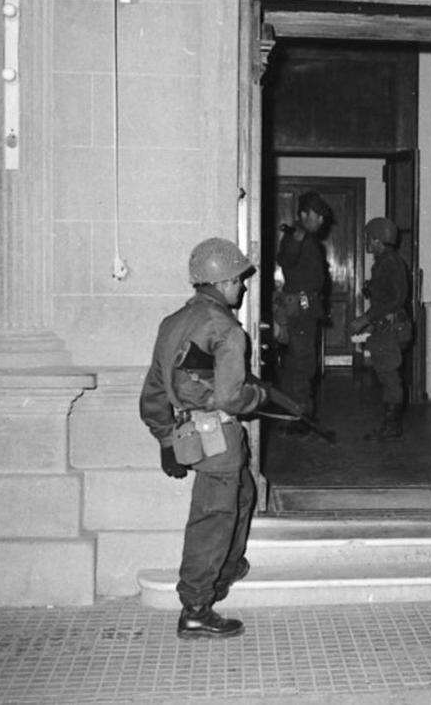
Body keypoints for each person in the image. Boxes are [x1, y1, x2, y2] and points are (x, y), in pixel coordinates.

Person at [139, 237, 268, 640]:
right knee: (213, 518)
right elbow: (232, 396)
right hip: (219, 437)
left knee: (243, 495)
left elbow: (154, 390)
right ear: (225, 280)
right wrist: (259, 396)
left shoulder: (173, 322)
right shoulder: (226, 328)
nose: (243, 288)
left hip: (190, 430)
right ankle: (196, 608)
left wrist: (165, 440)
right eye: (240, 280)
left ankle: (226, 569)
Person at [274, 191, 333, 435]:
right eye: (317, 216)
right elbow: (285, 260)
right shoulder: (295, 238)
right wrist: (296, 241)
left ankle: (294, 413)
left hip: (307, 308)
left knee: (298, 363)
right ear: (303, 215)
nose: (321, 221)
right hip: (300, 308)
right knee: (302, 364)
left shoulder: (308, 239)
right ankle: (299, 416)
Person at [349, 217, 412, 442]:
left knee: (389, 378)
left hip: (390, 329)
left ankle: (391, 427)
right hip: (388, 327)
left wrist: (366, 317)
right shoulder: (387, 261)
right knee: (388, 376)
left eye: (369, 237)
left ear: (379, 240)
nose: (366, 241)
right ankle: (390, 424)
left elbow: (395, 298)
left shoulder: (389, 262)